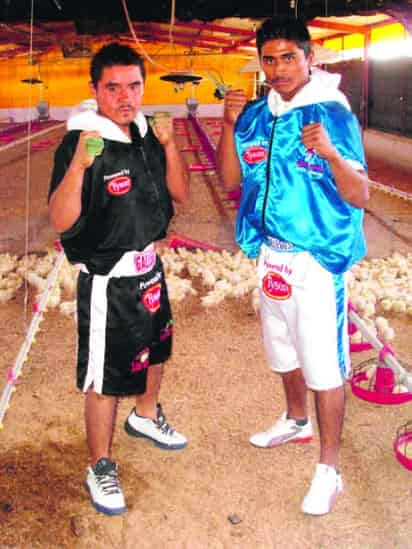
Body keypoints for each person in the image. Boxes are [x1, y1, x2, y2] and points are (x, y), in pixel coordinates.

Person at [217, 16, 369, 516]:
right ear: (260, 63)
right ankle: (295, 420)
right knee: (282, 351)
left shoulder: (332, 115)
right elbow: (230, 181)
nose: (279, 68)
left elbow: (360, 195)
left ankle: (330, 471)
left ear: (310, 58)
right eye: (270, 59)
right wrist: (227, 125)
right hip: (269, 254)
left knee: (324, 367)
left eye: (289, 57)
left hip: (315, 261)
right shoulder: (258, 114)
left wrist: (331, 155)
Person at [48, 43, 190, 516]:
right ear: (94, 90)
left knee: (158, 348)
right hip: (109, 280)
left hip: (150, 268)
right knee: (104, 378)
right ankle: (100, 464)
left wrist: (171, 145)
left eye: (134, 86)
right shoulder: (81, 140)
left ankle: (146, 415)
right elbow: (60, 219)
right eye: (113, 88)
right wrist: (78, 166)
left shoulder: (147, 133)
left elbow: (181, 194)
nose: (125, 97)